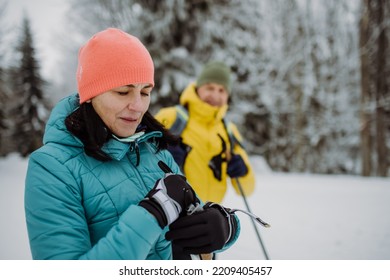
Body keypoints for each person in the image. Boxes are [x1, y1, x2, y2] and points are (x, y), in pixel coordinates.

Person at [24, 28, 240, 260]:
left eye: (145, 92)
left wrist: (225, 226)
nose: (138, 106)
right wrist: (152, 215)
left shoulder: (154, 150)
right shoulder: (51, 167)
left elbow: (195, 220)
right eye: (123, 91)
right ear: (91, 94)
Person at [155, 61, 255, 205]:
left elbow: (247, 190)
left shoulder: (229, 131)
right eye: (210, 88)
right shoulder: (171, 118)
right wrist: (163, 157)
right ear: (198, 88)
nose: (215, 95)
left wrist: (243, 172)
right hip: (171, 212)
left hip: (210, 217)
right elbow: (138, 162)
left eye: (222, 90)